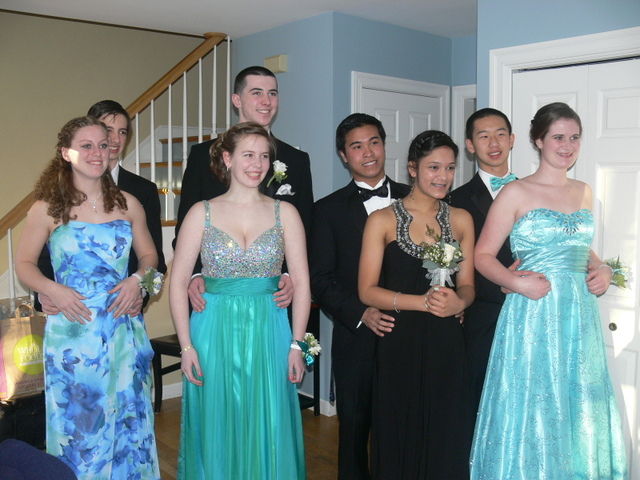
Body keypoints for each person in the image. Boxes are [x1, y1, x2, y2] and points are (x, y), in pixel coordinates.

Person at [470, 102, 627, 478]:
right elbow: (482, 256)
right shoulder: (515, 192)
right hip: (533, 313)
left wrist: (603, 268)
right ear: (539, 141)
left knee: (577, 398)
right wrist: (515, 282)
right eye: (558, 137)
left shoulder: (584, 191)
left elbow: (580, 248)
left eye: (575, 137)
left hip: (578, 316)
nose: (567, 146)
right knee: (535, 399)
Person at [15, 117, 161, 479]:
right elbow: (24, 264)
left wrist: (138, 282)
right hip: (74, 331)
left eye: (103, 145)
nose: (98, 152)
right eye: (87, 145)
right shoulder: (46, 208)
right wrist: (52, 289)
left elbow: (150, 258)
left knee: (129, 419)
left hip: (123, 328)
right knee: (81, 425)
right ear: (66, 153)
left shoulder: (129, 204)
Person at [170, 122, 309, 479]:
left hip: (270, 329)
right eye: (248, 155)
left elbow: (302, 284)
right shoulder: (201, 212)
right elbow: (178, 282)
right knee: (217, 419)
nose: (257, 164)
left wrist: (298, 345)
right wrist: (186, 347)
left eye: (264, 156)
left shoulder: (285, 213)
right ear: (228, 159)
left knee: (271, 418)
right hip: (213, 329)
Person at [359, 130, 475, 479]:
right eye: (433, 167)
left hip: (447, 342)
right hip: (399, 340)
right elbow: (366, 291)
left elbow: (468, 286)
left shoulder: (462, 219)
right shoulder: (382, 220)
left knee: (446, 428)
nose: (443, 176)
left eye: (450, 168)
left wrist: (459, 302)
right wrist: (421, 303)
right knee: (399, 428)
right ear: (413, 168)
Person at [309, 113, 410, 480]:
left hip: (411, 333)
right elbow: (321, 279)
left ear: (384, 145)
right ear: (343, 155)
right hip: (358, 337)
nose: (368, 153)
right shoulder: (327, 210)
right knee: (354, 429)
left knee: (405, 424)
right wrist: (361, 313)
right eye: (357, 146)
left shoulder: (415, 197)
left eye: (374, 142)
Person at [175, 66, 313, 314]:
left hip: (274, 298)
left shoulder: (297, 160)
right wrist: (195, 274)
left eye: (272, 93)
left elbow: (306, 226)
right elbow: (186, 222)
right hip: (216, 294)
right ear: (237, 100)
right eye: (257, 93)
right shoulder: (202, 155)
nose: (266, 101)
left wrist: (288, 275)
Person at [449, 108, 538, 417]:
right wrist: (501, 285)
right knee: (483, 403)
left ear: (512, 139)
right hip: (484, 317)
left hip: (535, 311)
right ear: (470, 145)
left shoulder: (536, 192)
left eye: (500, 134)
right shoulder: (455, 201)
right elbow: (453, 265)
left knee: (530, 399)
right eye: (483, 136)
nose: (494, 143)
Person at [38, 100, 166, 314]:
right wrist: (43, 294)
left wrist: (143, 293)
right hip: (72, 310)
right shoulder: (56, 193)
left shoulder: (144, 191)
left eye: (123, 132)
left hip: (122, 311)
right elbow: (42, 257)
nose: (115, 139)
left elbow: (157, 261)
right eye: (108, 130)